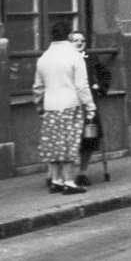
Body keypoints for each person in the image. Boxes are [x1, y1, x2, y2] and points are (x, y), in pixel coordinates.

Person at [33, 21, 96, 195]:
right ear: (69, 35)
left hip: (50, 105)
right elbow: (82, 86)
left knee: (54, 144)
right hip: (71, 104)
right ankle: (69, 181)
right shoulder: (75, 56)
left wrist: (40, 106)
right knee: (68, 144)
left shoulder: (44, 57)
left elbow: (38, 88)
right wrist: (90, 106)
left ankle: (56, 180)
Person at [70, 31, 111, 187]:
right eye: (76, 40)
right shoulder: (66, 58)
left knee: (90, 138)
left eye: (82, 40)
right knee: (69, 140)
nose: (80, 43)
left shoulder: (90, 57)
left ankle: (83, 173)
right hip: (71, 105)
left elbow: (104, 73)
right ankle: (58, 175)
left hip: (89, 107)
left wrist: (100, 88)